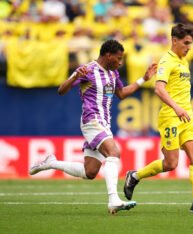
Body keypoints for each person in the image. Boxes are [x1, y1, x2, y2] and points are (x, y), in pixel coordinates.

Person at [29, 39, 157, 214]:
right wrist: (75, 76)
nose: (120, 63)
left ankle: (51, 163)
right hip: (92, 120)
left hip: (104, 123)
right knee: (114, 153)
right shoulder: (87, 70)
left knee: (89, 172)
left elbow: (121, 93)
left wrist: (144, 79)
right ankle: (113, 200)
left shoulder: (113, 74)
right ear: (108, 55)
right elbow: (61, 90)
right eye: (118, 58)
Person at [123, 23, 193, 214]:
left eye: (191, 43)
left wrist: (184, 110)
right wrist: (176, 107)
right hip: (171, 117)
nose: (189, 47)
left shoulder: (184, 60)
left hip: (187, 116)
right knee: (171, 163)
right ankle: (135, 176)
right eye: (186, 43)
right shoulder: (167, 61)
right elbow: (159, 89)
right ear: (175, 41)